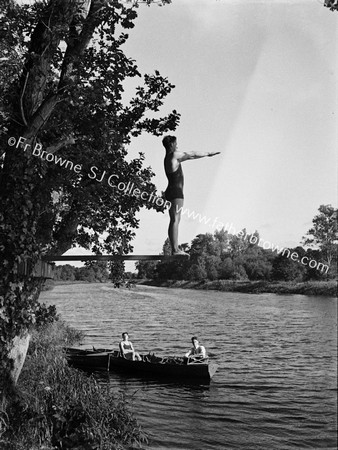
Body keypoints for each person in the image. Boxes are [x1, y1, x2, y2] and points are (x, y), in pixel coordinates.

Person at [163, 135, 220, 255]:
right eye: (176, 143)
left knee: (174, 219)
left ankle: (174, 248)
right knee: (176, 219)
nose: (177, 145)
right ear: (172, 145)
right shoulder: (174, 155)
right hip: (176, 192)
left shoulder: (167, 158)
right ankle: (175, 250)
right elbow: (192, 154)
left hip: (170, 191)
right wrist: (208, 153)